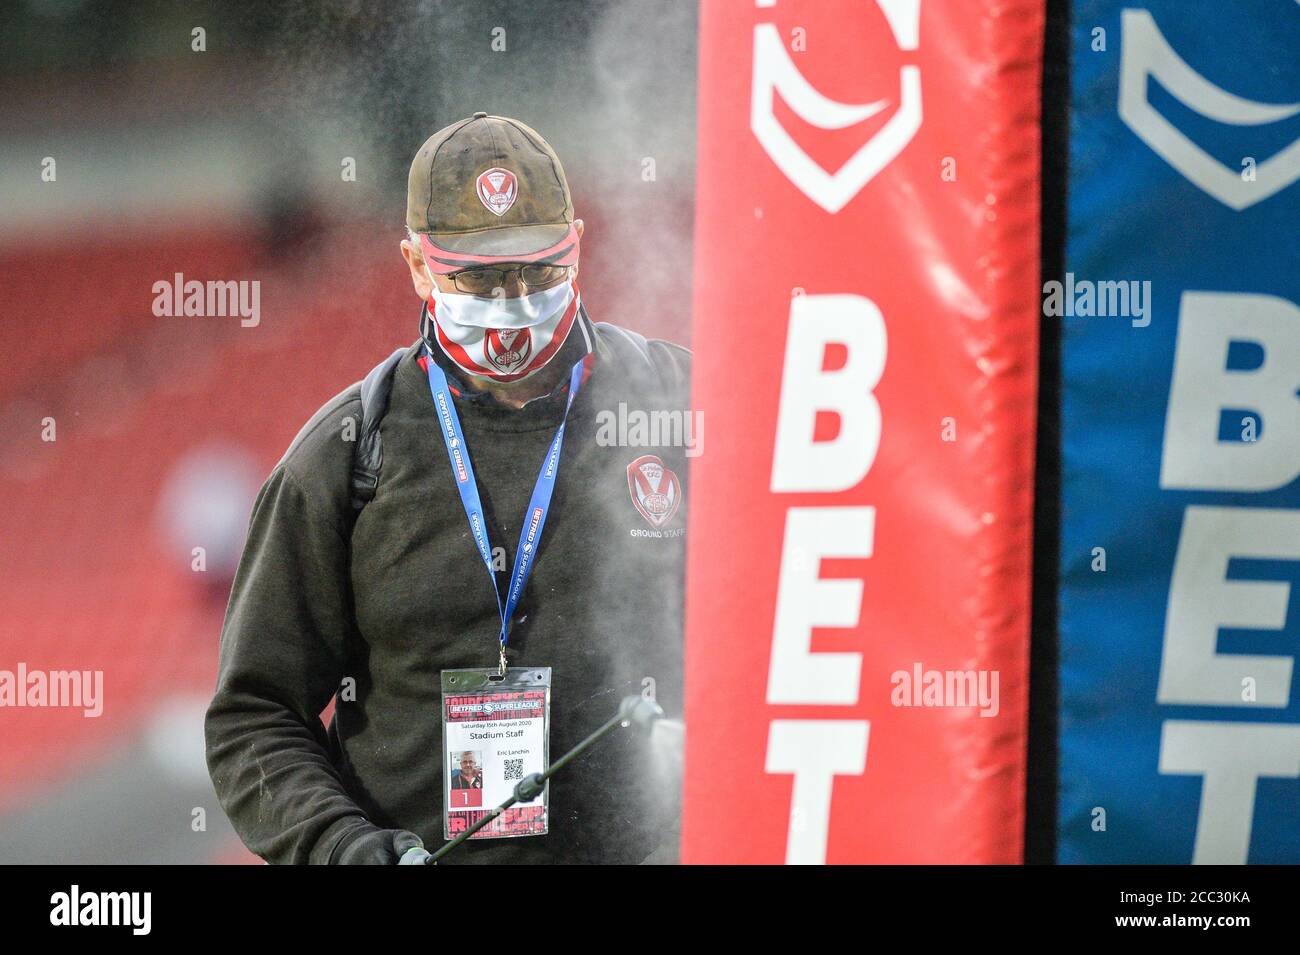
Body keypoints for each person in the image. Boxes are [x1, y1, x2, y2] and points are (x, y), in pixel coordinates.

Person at [205, 113, 690, 864]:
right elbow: (254, 717)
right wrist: (344, 848)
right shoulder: (346, 455)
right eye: (480, 275)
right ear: (417, 265)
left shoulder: (680, 407)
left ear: (579, 245)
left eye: (540, 267)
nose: (515, 298)